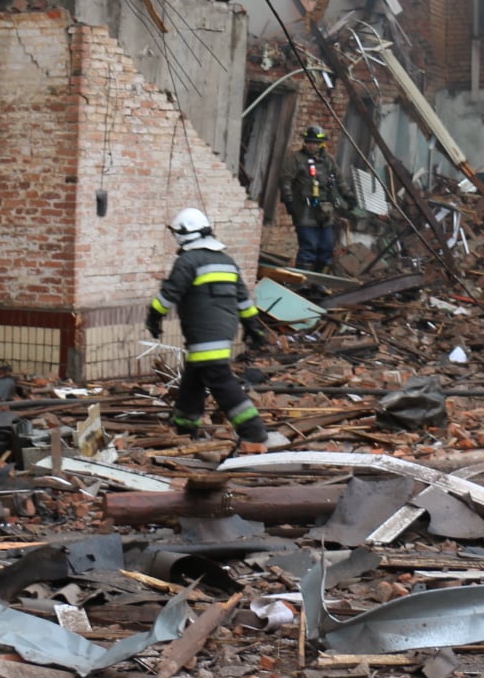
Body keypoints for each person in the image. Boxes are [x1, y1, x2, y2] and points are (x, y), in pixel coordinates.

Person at [146, 207, 271, 450]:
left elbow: (169, 293)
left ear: (183, 234)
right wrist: (253, 327)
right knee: (194, 376)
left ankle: (253, 431)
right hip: (224, 329)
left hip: (203, 331)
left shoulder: (188, 261)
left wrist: (154, 317)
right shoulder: (227, 261)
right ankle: (184, 424)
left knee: (219, 378)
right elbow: (243, 299)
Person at [281, 124, 347, 272]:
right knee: (309, 246)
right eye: (309, 142)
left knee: (326, 247)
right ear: (305, 142)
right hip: (305, 211)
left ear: (321, 143)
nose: (312, 145)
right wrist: (289, 201)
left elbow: (339, 179)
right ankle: (302, 280)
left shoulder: (328, 160)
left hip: (325, 212)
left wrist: (348, 196)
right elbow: (285, 181)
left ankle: (318, 282)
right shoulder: (296, 160)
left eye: (315, 143)